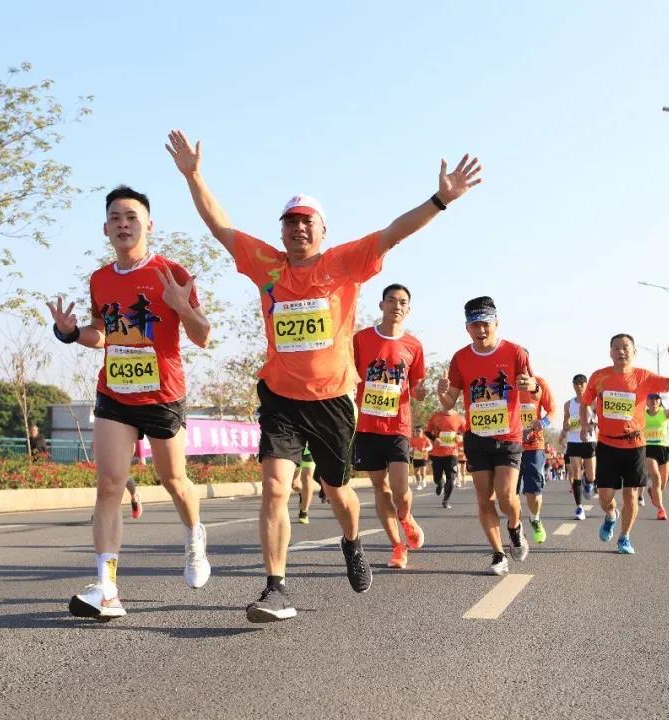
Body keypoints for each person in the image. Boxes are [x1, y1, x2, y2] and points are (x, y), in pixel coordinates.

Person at [166, 127, 482, 622]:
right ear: (281, 231)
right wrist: (194, 175)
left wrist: (441, 198)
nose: (297, 230)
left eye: (306, 222)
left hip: (333, 398)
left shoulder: (344, 262)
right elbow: (219, 224)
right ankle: (276, 587)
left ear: (322, 229)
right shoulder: (266, 264)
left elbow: (395, 232)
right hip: (280, 397)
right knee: (275, 488)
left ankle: (352, 543)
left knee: (339, 491)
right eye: (289, 223)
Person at [47, 185, 212, 621]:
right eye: (116, 217)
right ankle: (107, 587)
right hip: (114, 392)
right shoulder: (100, 279)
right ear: (105, 227)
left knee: (174, 480)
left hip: (162, 393)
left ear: (149, 224)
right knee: (109, 484)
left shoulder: (172, 272)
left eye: (132, 217)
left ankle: (195, 534)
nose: (124, 224)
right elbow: (103, 332)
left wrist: (183, 306)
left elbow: (202, 335)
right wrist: (69, 332)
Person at [438, 296, 538, 576]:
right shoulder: (460, 358)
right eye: (474, 325)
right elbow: (449, 403)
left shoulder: (516, 352)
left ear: (496, 322)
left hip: (508, 436)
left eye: (485, 324)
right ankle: (497, 555)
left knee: (507, 496)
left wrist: (531, 384)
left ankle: (516, 529)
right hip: (477, 437)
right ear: (467, 328)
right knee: (485, 499)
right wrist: (440, 390)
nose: (481, 330)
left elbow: (534, 389)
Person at [580, 334, 669, 555]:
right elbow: (586, 401)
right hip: (607, 444)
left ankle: (624, 537)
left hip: (635, 445)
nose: (621, 351)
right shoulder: (599, 376)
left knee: (630, 494)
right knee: (606, 497)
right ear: (610, 352)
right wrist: (584, 424)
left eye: (626, 347)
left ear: (634, 352)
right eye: (616, 347)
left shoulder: (643, 377)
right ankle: (610, 516)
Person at [351, 284, 427, 570]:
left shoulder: (414, 345)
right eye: (392, 300)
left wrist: (422, 393)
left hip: (399, 425)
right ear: (381, 305)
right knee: (380, 488)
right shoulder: (361, 339)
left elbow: (417, 388)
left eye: (403, 302)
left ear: (408, 310)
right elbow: (349, 375)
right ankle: (397, 546)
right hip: (368, 424)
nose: (397, 305)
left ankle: (406, 517)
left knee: (399, 488)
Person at [518, 374, 555, 545]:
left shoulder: (540, 383)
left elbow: (553, 410)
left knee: (532, 492)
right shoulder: (502, 384)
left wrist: (544, 422)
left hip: (534, 446)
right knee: (509, 493)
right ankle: (516, 530)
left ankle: (535, 519)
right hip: (508, 445)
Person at [559, 375, 597, 520]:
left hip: (589, 440)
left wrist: (589, 424)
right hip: (574, 441)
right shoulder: (568, 404)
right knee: (576, 473)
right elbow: (565, 423)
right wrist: (567, 425)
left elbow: (599, 420)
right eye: (576, 384)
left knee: (591, 475)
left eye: (581, 383)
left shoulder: (593, 402)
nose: (579, 386)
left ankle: (589, 483)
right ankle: (579, 508)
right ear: (573, 385)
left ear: (586, 385)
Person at [425, 405, 465, 508]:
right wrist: (434, 439)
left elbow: (467, 432)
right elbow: (427, 432)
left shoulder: (459, 418)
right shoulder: (435, 416)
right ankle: (440, 484)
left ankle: (446, 500)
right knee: (437, 477)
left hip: (452, 453)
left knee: (451, 478)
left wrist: (461, 436)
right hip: (437, 453)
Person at [294, 445, 315, 524]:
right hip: (294, 445)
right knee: (294, 484)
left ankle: (304, 511)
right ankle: (303, 494)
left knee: (307, 477)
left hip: (308, 446)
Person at [410, 426, 432, 490]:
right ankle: (418, 484)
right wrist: (413, 448)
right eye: (416, 431)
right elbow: (410, 448)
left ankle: (423, 480)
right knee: (416, 472)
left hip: (423, 457)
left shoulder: (425, 438)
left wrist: (425, 449)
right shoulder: (412, 439)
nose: (417, 432)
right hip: (416, 457)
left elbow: (430, 446)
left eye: (419, 431)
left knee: (422, 471)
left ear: (422, 432)